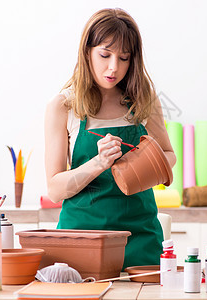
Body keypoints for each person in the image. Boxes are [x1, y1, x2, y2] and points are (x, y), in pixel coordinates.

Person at [44, 8, 176, 268]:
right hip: (82, 239)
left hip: (140, 238)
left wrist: (137, 166)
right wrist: (98, 163)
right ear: (87, 52)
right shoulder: (64, 106)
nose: (114, 67)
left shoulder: (142, 99)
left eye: (124, 58)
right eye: (105, 55)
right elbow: (55, 190)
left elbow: (168, 156)